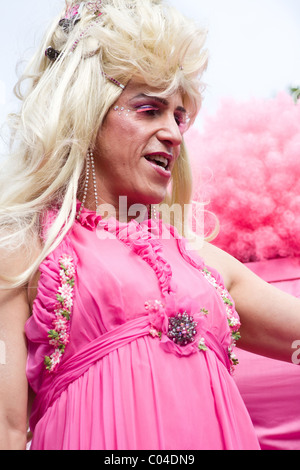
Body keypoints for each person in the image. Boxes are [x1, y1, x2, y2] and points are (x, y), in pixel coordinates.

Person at [0, 0, 299, 451]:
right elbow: (5, 428)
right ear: (86, 116)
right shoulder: (26, 249)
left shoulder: (200, 260)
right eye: (149, 110)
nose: (176, 133)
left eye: (179, 116)